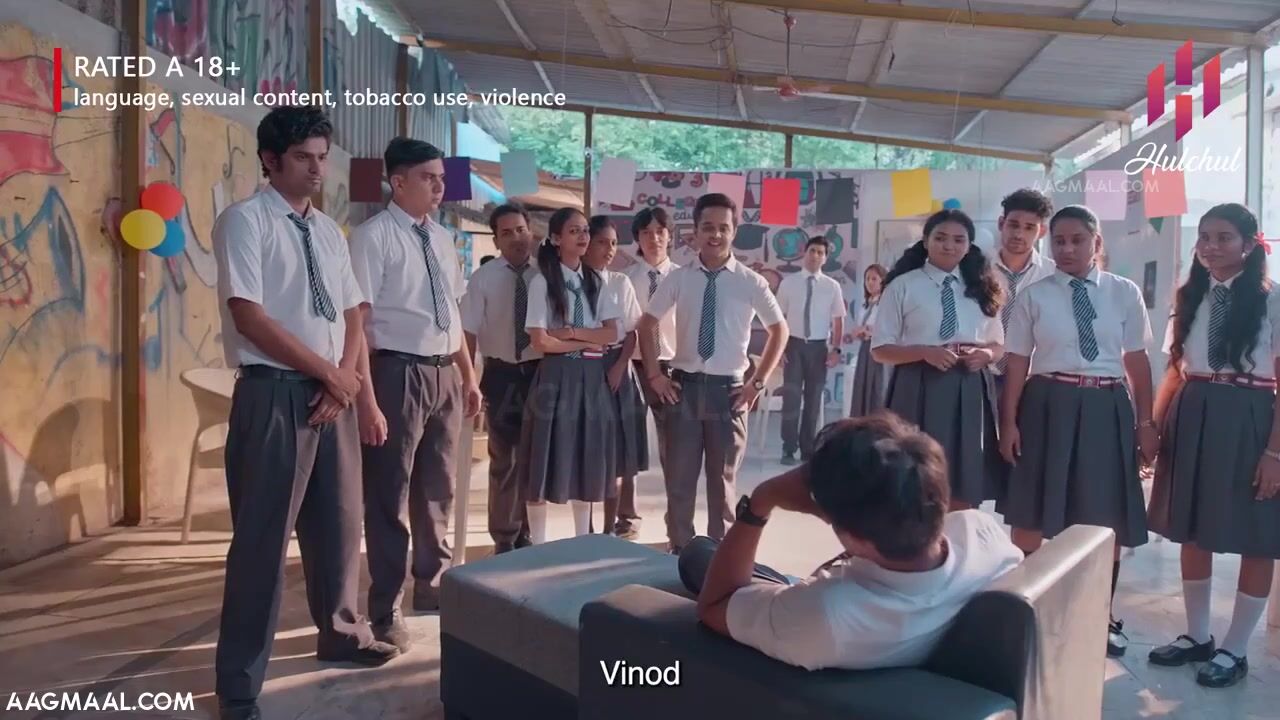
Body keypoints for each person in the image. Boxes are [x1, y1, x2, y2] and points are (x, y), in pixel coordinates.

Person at [212, 106, 398, 720]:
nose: (317, 169)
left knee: (340, 524)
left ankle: (342, 634)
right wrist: (330, 375)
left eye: (322, 157)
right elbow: (249, 315)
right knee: (262, 543)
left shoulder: (327, 231)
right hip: (273, 395)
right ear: (270, 160)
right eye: (302, 158)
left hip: (332, 394)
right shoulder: (245, 222)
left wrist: (344, 381)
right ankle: (240, 683)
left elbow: (352, 313)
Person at [678, 411, 1024, 671]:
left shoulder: (827, 615)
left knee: (698, 558)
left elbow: (714, 605)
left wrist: (761, 502)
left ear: (856, 541)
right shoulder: (981, 534)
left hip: (820, 622)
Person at [998, 204, 1156, 660]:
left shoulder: (1124, 292)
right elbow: (1016, 362)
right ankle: (1027, 610)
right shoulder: (1034, 296)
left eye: (1077, 240)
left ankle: (1099, 616)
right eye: (1059, 241)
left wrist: (1145, 422)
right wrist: (1008, 422)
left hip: (1107, 405)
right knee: (1030, 511)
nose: (1067, 249)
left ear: (1096, 243)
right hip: (1046, 404)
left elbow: (1136, 361)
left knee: (1105, 516)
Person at [349, 138, 482, 639]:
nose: (439, 187)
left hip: (445, 374)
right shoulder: (373, 238)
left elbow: (452, 314)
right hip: (396, 372)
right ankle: (386, 606)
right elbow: (357, 322)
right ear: (398, 182)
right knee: (390, 491)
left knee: (438, 486)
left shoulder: (443, 239)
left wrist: (468, 375)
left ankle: (433, 582)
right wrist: (366, 398)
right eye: (429, 178)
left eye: (442, 178)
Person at [1147, 203, 1280, 688]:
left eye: (1224, 237)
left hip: (1251, 417)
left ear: (1249, 244)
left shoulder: (1273, 300)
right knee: (1192, 529)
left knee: (1256, 533)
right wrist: (1153, 426)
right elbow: (1175, 369)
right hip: (1193, 411)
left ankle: (1235, 647)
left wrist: (1274, 454)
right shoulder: (1191, 296)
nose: (1211, 246)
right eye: (1205, 237)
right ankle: (1197, 635)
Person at [636, 192, 788, 553]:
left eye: (723, 228)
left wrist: (756, 384)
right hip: (684, 390)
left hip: (729, 394)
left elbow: (779, 331)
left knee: (723, 484)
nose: (715, 235)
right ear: (695, 231)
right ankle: (680, 551)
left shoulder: (751, 281)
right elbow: (646, 324)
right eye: (708, 227)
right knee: (679, 481)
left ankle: (719, 557)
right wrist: (655, 375)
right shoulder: (679, 278)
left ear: (734, 231)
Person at [871, 209, 1006, 512]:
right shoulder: (902, 286)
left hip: (969, 385)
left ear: (969, 245)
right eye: (941, 238)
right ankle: (917, 535)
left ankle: (958, 534)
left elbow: (998, 344)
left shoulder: (983, 287)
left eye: (959, 240)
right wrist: (924, 352)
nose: (949, 246)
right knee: (914, 473)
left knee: (964, 473)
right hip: (917, 383)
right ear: (926, 241)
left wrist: (986, 355)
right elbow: (880, 349)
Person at [521, 207, 622, 542]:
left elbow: (612, 334)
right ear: (555, 238)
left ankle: (583, 540)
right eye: (574, 231)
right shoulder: (542, 283)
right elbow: (540, 341)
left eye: (585, 231)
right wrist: (584, 341)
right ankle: (538, 543)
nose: (583, 237)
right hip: (556, 376)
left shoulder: (595, 281)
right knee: (544, 457)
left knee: (586, 456)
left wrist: (571, 333)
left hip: (591, 377)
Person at [460, 203, 539, 554]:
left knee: (534, 457)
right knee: (504, 458)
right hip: (501, 375)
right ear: (495, 241)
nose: (516, 238)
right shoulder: (484, 278)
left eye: (520, 230)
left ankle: (529, 531)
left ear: (530, 232)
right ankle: (505, 538)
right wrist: (469, 380)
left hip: (540, 375)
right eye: (506, 233)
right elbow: (468, 331)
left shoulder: (546, 274)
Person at [585, 216, 648, 537]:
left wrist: (620, 365)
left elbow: (633, 332)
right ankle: (585, 529)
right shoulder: (570, 280)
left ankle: (610, 527)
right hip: (583, 366)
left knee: (616, 455)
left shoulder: (621, 283)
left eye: (613, 243)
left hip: (617, 368)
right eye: (601, 242)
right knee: (586, 450)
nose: (609, 249)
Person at [620, 207, 679, 539]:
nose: (654, 238)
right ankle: (627, 516)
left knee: (675, 447)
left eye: (660, 231)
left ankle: (677, 520)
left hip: (672, 368)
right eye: (646, 232)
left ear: (669, 236)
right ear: (637, 239)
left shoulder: (684, 278)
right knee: (628, 441)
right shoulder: (626, 279)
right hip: (634, 366)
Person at [775, 237, 846, 465]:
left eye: (820, 252)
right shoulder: (788, 283)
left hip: (818, 348)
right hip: (793, 345)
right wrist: (779, 349)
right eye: (812, 251)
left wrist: (836, 349)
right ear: (804, 253)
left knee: (814, 400)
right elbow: (777, 319)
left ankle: (808, 448)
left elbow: (838, 320)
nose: (815, 256)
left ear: (825, 258)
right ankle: (788, 447)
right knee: (791, 398)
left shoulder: (832, 286)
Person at [990, 189, 1056, 391]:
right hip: (984, 371)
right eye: (1013, 225)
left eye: (1029, 228)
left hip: (1033, 379)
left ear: (1042, 231)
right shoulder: (976, 270)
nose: (1019, 234)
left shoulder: (1053, 274)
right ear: (1001, 224)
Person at [848, 264, 888, 417]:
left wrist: (869, 330)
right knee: (861, 387)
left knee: (877, 389)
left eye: (874, 279)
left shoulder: (886, 303)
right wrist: (859, 332)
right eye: (867, 279)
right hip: (865, 349)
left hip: (880, 349)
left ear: (883, 281)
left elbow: (889, 327)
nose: (870, 282)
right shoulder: (865, 304)